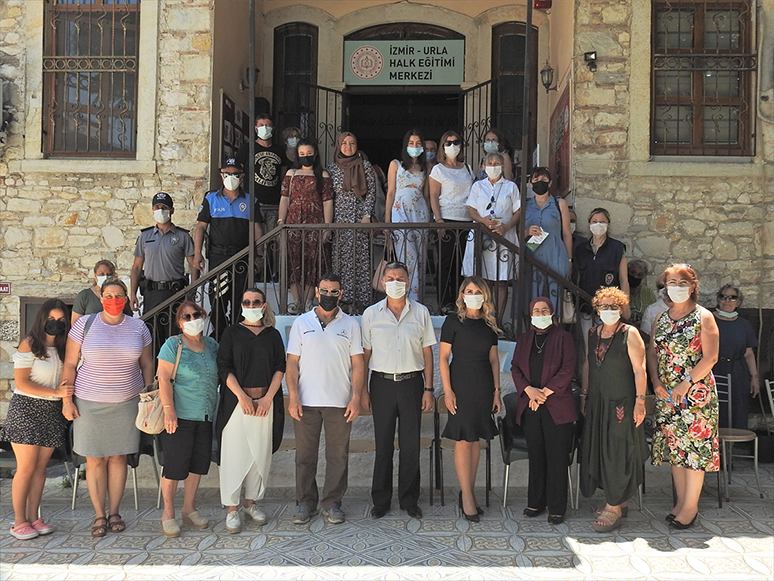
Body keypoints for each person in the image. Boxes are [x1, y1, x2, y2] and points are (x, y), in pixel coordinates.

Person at [61, 278, 154, 537]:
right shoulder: (84, 324)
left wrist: (148, 398)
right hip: (89, 404)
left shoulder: (139, 327)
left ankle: (114, 512)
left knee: (118, 458)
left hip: (126, 403)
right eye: (108, 295)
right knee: (95, 460)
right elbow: (69, 363)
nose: (114, 300)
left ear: (126, 298)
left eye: (119, 295)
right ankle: (99, 515)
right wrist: (66, 399)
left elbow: (147, 365)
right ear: (101, 298)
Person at [286, 273, 365, 525]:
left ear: (341, 294)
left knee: (338, 456)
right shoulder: (301, 322)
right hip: (306, 402)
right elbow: (291, 364)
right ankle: (305, 503)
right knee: (305, 457)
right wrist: (293, 397)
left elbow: (358, 365)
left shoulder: (351, 324)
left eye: (334, 292)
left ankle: (332, 503)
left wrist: (356, 398)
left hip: (340, 403)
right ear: (317, 292)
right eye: (325, 291)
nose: (329, 296)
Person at [361, 262, 437, 519]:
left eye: (400, 278)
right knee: (383, 445)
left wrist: (428, 388)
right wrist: (362, 391)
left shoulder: (421, 312)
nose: (395, 282)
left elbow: (427, 352)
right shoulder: (371, 314)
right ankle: (380, 500)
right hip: (381, 384)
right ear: (382, 282)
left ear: (408, 281)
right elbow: (364, 355)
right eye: (390, 277)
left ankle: (409, 499)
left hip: (412, 384)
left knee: (410, 445)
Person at [649, 264, 719, 529]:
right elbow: (653, 353)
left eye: (682, 282)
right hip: (667, 394)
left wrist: (687, 382)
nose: (676, 287)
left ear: (692, 286)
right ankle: (679, 503)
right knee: (676, 449)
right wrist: (655, 381)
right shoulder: (661, 318)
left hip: (696, 394)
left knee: (694, 450)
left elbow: (710, 357)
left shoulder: (704, 317)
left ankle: (691, 507)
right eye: (671, 282)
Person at [216, 287, 286, 533]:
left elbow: (280, 367)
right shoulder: (231, 333)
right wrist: (242, 397)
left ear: (264, 305)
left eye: (256, 301)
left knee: (259, 455)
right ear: (242, 305)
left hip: (265, 403)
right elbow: (224, 367)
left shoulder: (273, 335)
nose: (252, 305)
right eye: (247, 301)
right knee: (234, 454)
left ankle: (251, 502)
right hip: (238, 403)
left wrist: (268, 398)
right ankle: (232, 508)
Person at [579, 286, 648, 533]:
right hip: (598, 401)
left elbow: (640, 369)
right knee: (601, 448)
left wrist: (640, 402)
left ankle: (614, 506)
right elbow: (588, 364)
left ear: (621, 308)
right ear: (597, 309)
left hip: (621, 402)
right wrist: (584, 395)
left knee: (618, 450)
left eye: (614, 306)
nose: (609, 310)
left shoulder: (630, 333)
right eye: (604, 306)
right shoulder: (592, 333)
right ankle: (620, 500)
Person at [1, 300, 71, 540]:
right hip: (26, 410)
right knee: (26, 468)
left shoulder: (65, 349)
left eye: (61, 321)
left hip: (51, 412)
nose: (56, 324)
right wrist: (56, 394)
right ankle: (19, 521)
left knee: (42, 468)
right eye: (51, 319)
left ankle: (34, 517)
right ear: (42, 319)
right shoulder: (29, 344)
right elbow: (21, 382)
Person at [439, 276, 501, 522]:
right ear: (462, 295)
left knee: (476, 440)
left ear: (484, 295)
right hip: (460, 384)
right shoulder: (452, 321)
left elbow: (494, 360)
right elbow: (443, 357)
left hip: (484, 385)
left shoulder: (489, 325)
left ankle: (469, 492)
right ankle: (466, 497)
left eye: (477, 290)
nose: (472, 294)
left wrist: (497, 391)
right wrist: (448, 390)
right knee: (463, 439)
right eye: (468, 290)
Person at [510, 297, 577, 525]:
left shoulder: (563, 338)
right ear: (531, 315)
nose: (540, 314)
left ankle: (557, 507)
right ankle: (536, 502)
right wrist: (529, 390)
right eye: (536, 311)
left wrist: (544, 393)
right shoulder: (524, 339)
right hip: (531, 406)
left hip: (556, 407)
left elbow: (568, 368)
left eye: (544, 310)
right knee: (536, 456)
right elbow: (515, 367)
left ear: (552, 313)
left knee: (557, 457)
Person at [157, 301, 218, 538]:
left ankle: (189, 508)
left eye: (196, 315)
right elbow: (163, 377)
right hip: (179, 415)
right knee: (174, 465)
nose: (192, 319)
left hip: (205, 413)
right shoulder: (173, 345)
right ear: (179, 323)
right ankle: (168, 512)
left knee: (197, 465)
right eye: (186, 317)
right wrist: (169, 409)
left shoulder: (212, 345)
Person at [193, 158, 264, 336]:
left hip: (242, 258)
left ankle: (238, 337)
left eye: (235, 174)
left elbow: (257, 228)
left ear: (242, 176)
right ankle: (220, 337)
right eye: (227, 174)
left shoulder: (250, 200)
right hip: (218, 258)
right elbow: (200, 227)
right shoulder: (211, 199)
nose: (231, 177)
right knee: (218, 302)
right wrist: (197, 254)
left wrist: (259, 256)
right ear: (221, 175)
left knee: (241, 302)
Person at [130, 193, 197, 348]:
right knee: (151, 335)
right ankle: (153, 371)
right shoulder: (145, 236)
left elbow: (193, 264)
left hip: (175, 292)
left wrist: (193, 290)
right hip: (152, 292)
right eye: (157, 207)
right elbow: (137, 267)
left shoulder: (182, 236)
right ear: (152, 209)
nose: (160, 210)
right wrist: (132, 293)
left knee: (174, 335)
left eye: (164, 207)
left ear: (172, 210)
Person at [462, 151, 520, 327]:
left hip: (504, 236)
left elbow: (518, 211)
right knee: (484, 280)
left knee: (501, 281)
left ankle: (499, 320)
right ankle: (484, 318)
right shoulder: (478, 187)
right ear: (483, 167)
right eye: (490, 163)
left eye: (497, 163)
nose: (493, 166)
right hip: (482, 237)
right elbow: (471, 209)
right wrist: (482, 221)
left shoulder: (511, 187)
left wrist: (506, 226)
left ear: (502, 166)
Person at [277, 138, 334, 314]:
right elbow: (285, 199)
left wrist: (327, 226)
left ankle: (309, 301)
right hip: (293, 224)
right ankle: (296, 301)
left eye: (309, 153)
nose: (305, 157)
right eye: (302, 154)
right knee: (293, 262)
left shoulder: (323, 175)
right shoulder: (291, 174)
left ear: (315, 154)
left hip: (314, 224)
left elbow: (327, 202)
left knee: (313, 263)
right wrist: (281, 221)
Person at [326, 132, 377, 313]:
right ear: (338, 145)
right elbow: (328, 196)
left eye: (352, 143)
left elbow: (371, 192)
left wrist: (366, 215)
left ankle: (361, 301)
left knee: (360, 260)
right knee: (341, 260)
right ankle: (344, 300)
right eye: (345, 143)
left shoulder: (365, 165)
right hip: (340, 220)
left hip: (359, 218)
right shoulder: (331, 169)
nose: (348, 146)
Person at [429, 130, 475, 313]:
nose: (452, 146)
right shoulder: (438, 169)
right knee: (446, 262)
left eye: (456, 142)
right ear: (442, 146)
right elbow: (433, 196)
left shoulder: (468, 168)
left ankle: (458, 301)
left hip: (466, 221)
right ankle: (443, 302)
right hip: (446, 220)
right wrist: (438, 220)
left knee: (461, 263)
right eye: (448, 143)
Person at [517, 167, 571, 318]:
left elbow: (566, 233)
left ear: (550, 183)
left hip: (555, 255)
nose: (540, 183)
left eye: (543, 180)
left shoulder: (559, 204)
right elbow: (516, 233)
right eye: (536, 180)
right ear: (530, 183)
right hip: (531, 256)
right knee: (531, 297)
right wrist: (527, 232)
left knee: (554, 297)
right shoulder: (524, 205)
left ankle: (554, 335)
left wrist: (569, 259)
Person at [384, 129, 431, 302]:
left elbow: (426, 196)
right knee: (406, 256)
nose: (414, 146)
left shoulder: (426, 168)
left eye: (418, 143)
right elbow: (390, 193)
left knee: (420, 259)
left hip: (420, 214)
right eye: (411, 143)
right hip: (400, 212)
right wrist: (387, 222)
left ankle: (418, 300)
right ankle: (406, 298)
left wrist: (432, 220)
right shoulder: (395, 164)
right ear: (406, 145)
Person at [575, 207, 629, 338]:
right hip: (585, 307)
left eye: (602, 221)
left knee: (606, 342)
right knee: (588, 344)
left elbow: (623, 279)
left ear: (608, 224)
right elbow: (577, 278)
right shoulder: (580, 249)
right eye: (594, 221)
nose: (598, 224)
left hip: (609, 308)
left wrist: (626, 306)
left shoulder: (617, 248)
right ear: (589, 224)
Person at [712, 284, 759, 429]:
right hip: (714, 369)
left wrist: (755, 378)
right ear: (718, 300)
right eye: (723, 297)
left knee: (738, 408)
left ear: (738, 302)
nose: (727, 301)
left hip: (738, 372)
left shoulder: (744, 325)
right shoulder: (708, 320)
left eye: (732, 298)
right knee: (715, 409)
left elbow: (748, 353)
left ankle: (733, 448)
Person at [235, 113, 286, 231]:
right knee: (253, 236)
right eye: (261, 125)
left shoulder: (279, 150)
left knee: (272, 237)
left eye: (268, 125)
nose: (265, 127)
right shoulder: (246, 148)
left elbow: (283, 175)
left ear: (273, 128)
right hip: (252, 201)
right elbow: (239, 173)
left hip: (273, 202)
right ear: (256, 128)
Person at [72, 260, 132, 324]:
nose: (105, 277)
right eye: (102, 274)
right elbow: (75, 323)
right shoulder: (84, 295)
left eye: (109, 274)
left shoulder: (120, 296)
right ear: (95, 275)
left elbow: (129, 319)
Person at [640, 274, 671, 345]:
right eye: (660, 286)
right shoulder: (651, 310)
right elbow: (645, 336)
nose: (664, 289)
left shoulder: (691, 309)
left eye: (668, 284)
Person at [627, 259, 657, 326]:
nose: (635, 277)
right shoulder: (619, 291)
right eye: (632, 273)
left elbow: (654, 314)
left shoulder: (648, 293)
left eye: (640, 275)